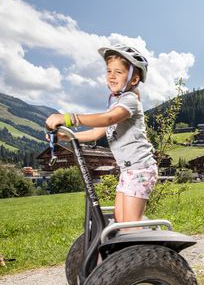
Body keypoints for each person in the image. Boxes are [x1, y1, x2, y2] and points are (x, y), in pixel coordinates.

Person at [46, 44, 157, 224]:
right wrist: (64, 137)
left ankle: (152, 249)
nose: (111, 76)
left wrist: (70, 118)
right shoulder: (116, 103)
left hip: (140, 169)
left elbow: (106, 119)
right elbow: (95, 133)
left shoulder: (130, 101)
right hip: (128, 170)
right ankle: (147, 244)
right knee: (121, 220)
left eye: (118, 72)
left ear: (134, 79)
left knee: (129, 224)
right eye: (109, 71)